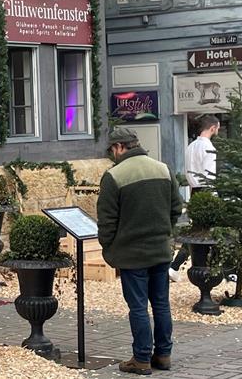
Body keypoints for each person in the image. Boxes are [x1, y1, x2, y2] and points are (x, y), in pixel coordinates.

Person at [97, 127, 183, 375]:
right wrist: (165, 231)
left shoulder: (114, 176)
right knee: (161, 304)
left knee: (138, 308)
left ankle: (141, 358)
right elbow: (176, 209)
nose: (113, 154)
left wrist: (109, 248)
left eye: (112, 149)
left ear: (119, 147)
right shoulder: (163, 169)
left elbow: (107, 221)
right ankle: (164, 355)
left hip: (132, 255)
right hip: (160, 250)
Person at [169, 115, 221, 282]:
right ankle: (223, 270)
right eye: (217, 128)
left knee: (196, 232)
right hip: (207, 191)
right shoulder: (209, 147)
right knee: (215, 232)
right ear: (212, 128)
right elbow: (209, 175)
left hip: (194, 191)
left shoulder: (190, 146)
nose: (218, 131)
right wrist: (214, 197)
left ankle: (175, 266)